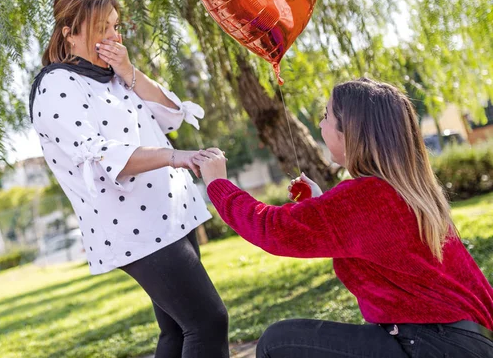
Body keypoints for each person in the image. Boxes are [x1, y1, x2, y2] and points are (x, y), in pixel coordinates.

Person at [193, 78, 493, 358]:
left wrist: (218, 184)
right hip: (466, 341)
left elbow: (272, 229)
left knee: (278, 343)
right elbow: (360, 233)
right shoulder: (405, 190)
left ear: (349, 131)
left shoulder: (365, 199)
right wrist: (320, 203)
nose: (320, 124)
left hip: (434, 345)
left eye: (326, 116)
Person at [29, 0, 229, 358]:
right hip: (137, 227)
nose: (112, 37)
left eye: (115, 26)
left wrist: (129, 70)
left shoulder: (114, 76)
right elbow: (103, 156)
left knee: (177, 331)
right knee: (208, 322)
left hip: (171, 215)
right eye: (101, 28)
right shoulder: (56, 85)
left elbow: (171, 115)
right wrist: (176, 157)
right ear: (69, 34)